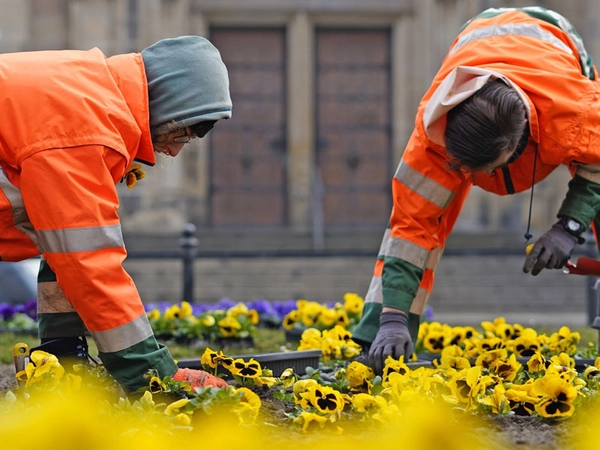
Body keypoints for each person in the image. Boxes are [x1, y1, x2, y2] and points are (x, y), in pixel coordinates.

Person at [350, 6, 600, 374]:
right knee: (418, 221)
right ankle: (378, 338)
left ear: (521, 144)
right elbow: (410, 230)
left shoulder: (574, 109)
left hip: (555, 44)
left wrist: (569, 227)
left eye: (487, 169)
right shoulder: (429, 141)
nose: (476, 178)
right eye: (466, 169)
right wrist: (392, 319)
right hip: (481, 44)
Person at [0, 35, 232, 392]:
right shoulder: (84, 130)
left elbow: (65, 251)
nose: (171, 152)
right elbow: (89, 262)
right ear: (166, 102)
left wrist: (61, 357)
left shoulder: (87, 91)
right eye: (184, 134)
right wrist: (154, 377)